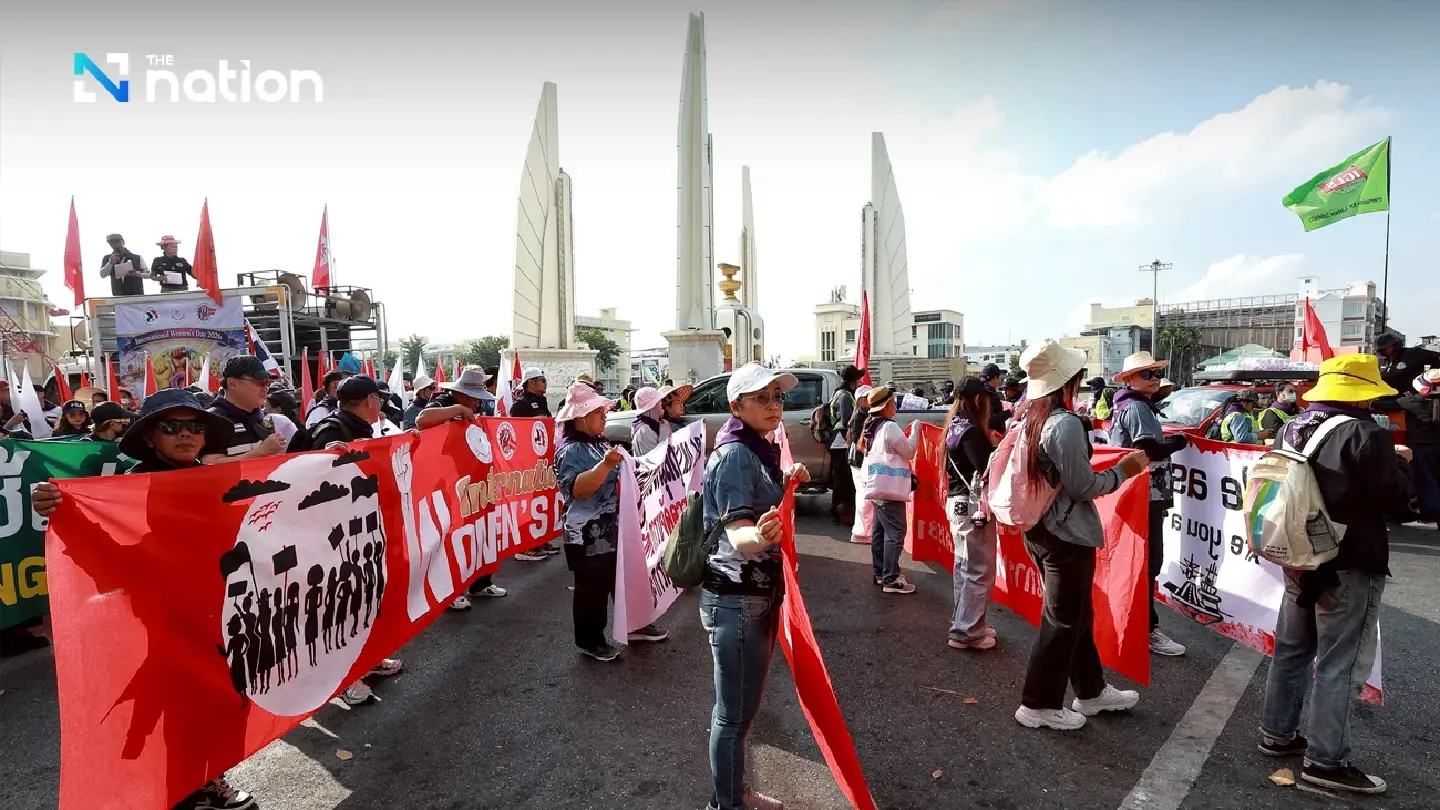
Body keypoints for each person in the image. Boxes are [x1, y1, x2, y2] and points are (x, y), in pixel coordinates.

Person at [31, 389, 258, 809]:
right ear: (151, 437)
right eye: (171, 426)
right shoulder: (132, 485)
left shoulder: (215, 478)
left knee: (222, 698)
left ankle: (206, 776)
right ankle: (187, 787)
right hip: (162, 617)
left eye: (195, 426)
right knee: (181, 704)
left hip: (220, 607)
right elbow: (106, 547)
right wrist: (58, 506)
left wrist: (330, 464)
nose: (186, 434)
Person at [1262, 354, 1413, 794]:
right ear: (1365, 395)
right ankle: (1326, 762)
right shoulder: (1367, 434)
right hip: (1349, 560)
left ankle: (1278, 733)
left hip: (1299, 556)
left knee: (1291, 649)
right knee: (1338, 664)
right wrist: (1401, 463)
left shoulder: (1293, 426)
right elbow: (1397, 501)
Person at [1012, 341, 1148, 731]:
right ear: (1071, 381)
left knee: (1075, 616)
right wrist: (1125, 469)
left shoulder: (1028, 416)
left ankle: (1091, 690)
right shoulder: (1063, 424)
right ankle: (1037, 703)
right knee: (1062, 621)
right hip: (1065, 535)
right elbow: (1083, 485)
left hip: (1040, 528)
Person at [700, 363, 809, 810]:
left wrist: (788, 481)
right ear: (736, 406)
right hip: (737, 600)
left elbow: (757, 499)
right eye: (761, 398)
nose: (772, 405)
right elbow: (738, 533)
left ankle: (731, 795)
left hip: (753, 596)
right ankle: (727, 804)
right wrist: (760, 536)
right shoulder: (735, 454)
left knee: (739, 713)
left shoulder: (756, 447)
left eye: (777, 397)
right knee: (733, 715)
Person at [286, 375, 405, 706]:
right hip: (328, 538)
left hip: (356, 530)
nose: (381, 405)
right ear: (369, 401)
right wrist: (323, 461)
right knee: (337, 607)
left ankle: (367, 660)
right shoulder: (331, 431)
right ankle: (344, 679)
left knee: (364, 600)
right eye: (378, 399)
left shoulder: (356, 427)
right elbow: (303, 481)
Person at [555, 381, 666, 662]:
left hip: (613, 527)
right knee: (592, 590)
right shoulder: (570, 451)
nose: (605, 416)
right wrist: (605, 465)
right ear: (581, 417)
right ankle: (591, 641)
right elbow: (578, 489)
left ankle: (635, 625)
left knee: (624, 579)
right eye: (599, 412)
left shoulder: (599, 442)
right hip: (587, 535)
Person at [1108, 351, 1190, 657]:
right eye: (1147, 374)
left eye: (1156, 373)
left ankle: (1133, 624)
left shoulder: (1134, 406)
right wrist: (1177, 444)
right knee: (1147, 563)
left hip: (1141, 494)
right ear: (1129, 379)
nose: (1154, 379)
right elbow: (1148, 450)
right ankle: (1146, 629)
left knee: (1141, 562)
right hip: (1144, 495)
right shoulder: (1137, 408)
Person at [416, 368, 509, 599]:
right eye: (475, 399)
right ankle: (451, 591)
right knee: (451, 535)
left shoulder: (475, 408)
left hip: (474, 479)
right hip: (447, 482)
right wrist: (457, 411)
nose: (478, 405)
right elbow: (422, 420)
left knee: (480, 530)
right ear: (462, 395)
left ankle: (481, 583)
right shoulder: (441, 403)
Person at [945, 377, 1000, 649]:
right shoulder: (971, 430)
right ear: (978, 399)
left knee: (963, 569)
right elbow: (985, 469)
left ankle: (966, 622)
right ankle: (968, 631)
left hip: (957, 504)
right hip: (972, 506)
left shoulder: (954, 426)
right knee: (978, 570)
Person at [858, 386, 918, 594]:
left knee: (880, 531)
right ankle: (891, 579)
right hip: (889, 489)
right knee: (895, 533)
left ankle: (880, 572)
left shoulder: (871, 425)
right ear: (886, 406)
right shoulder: (889, 427)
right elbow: (909, 452)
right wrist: (916, 431)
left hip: (876, 486)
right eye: (893, 402)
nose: (895, 406)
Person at [1373, 369, 1440, 529]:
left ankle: (1431, 517)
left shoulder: (1412, 401)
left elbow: (1380, 405)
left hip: (1423, 450)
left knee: (1427, 484)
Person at [204, 356, 288, 465]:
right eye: (260, 383)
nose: (266, 388)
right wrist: (259, 453)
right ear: (233, 384)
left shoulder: (264, 419)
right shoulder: (213, 420)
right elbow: (208, 465)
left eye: (268, 383)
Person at [826, 366, 865, 527]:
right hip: (841, 443)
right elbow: (847, 421)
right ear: (852, 382)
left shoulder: (838, 393)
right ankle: (840, 512)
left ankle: (838, 511)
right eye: (858, 379)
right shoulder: (845, 396)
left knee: (841, 480)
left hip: (838, 442)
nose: (860, 382)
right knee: (844, 481)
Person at [631, 382, 692, 458]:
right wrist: (664, 430)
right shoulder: (645, 430)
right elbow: (660, 457)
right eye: (659, 402)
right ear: (652, 407)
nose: (661, 406)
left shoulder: (653, 425)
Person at [847, 385, 876, 545]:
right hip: (859, 460)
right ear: (860, 400)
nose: (870, 399)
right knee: (864, 496)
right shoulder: (859, 416)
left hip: (858, 459)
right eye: (868, 396)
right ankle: (862, 533)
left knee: (864, 495)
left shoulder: (863, 414)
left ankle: (863, 531)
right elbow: (859, 441)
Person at [1376, 333, 1440, 394]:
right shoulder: (1383, 363)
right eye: (1384, 348)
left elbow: (1437, 357)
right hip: (1389, 397)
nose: (1388, 349)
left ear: (1396, 345)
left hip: (1411, 398)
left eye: (1390, 347)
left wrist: (1430, 376)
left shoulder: (1411, 354)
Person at [981, 363, 1008, 432]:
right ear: (995, 378)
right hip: (990, 436)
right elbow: (991, 420)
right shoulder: (988, 394)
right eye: (999, 377)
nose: (1000, 380)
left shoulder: (983, 391)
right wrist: (1008, 412)